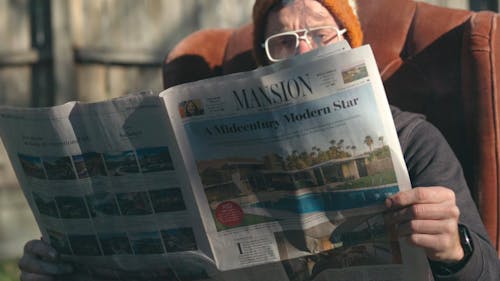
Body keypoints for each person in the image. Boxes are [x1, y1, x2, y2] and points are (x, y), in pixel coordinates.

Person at [18, 0, 500, 280]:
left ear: (351, 46)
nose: (302, 48)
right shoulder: (200, 147)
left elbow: (487, 270)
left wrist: (454, 247)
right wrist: (64, 265)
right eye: (282, 41)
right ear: (266, 64)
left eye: (318, 33)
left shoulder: (413, 136)